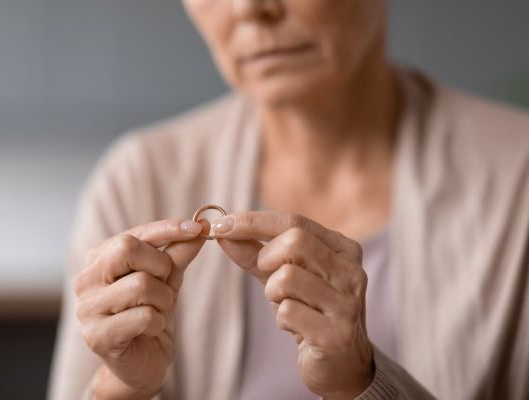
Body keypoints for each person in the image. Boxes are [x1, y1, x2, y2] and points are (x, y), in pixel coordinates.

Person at [48, 1, 529, 399]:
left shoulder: (517, 183)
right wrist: (123, 386)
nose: (250, 9)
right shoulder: (137, 180)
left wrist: (360, 381)